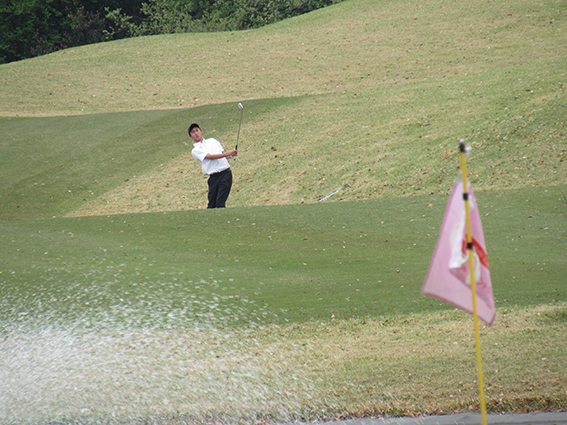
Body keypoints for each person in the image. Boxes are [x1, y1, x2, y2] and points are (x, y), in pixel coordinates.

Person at [189, 123, 238, 209]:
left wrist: (232, 155)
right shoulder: (195, 150)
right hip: (213, 178)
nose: (196, 133)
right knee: (211, 205)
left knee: (220, 203)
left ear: (201, 131)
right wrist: (229, 153)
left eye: (197, 130)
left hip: (225, 174)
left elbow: (224, 155)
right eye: (193, 132)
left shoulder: (213, 141)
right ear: (190, 136)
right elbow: (211, 157)